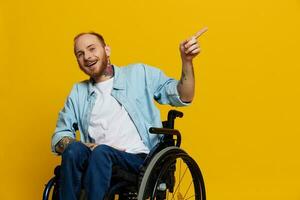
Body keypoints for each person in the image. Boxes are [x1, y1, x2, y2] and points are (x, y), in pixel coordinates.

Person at [51, 27, 207, 200]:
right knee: (73, 150)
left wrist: (186, 61)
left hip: (137, 159)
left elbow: (184, 96)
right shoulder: (78, 92)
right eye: (80, 54)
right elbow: (59, 137)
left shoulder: (139, 74)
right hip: (96, 159)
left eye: (92, 48)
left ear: (106, 50)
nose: (87, 56)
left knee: (102, 152)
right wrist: (88, 146)